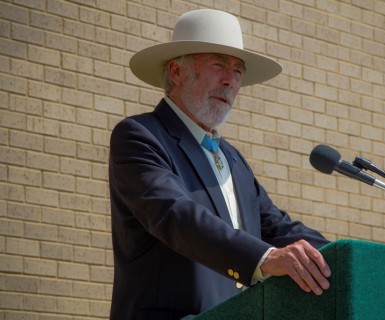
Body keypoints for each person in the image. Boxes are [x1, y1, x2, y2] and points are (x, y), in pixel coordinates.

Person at [109, 9, 331, 320]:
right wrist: (265, 258)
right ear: (176, 71)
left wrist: (348, 256)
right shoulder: (140, 136)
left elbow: (279, 228)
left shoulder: (234, 160)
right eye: (218, 65)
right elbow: (176, 215)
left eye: (238, 71)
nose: (230, 81)